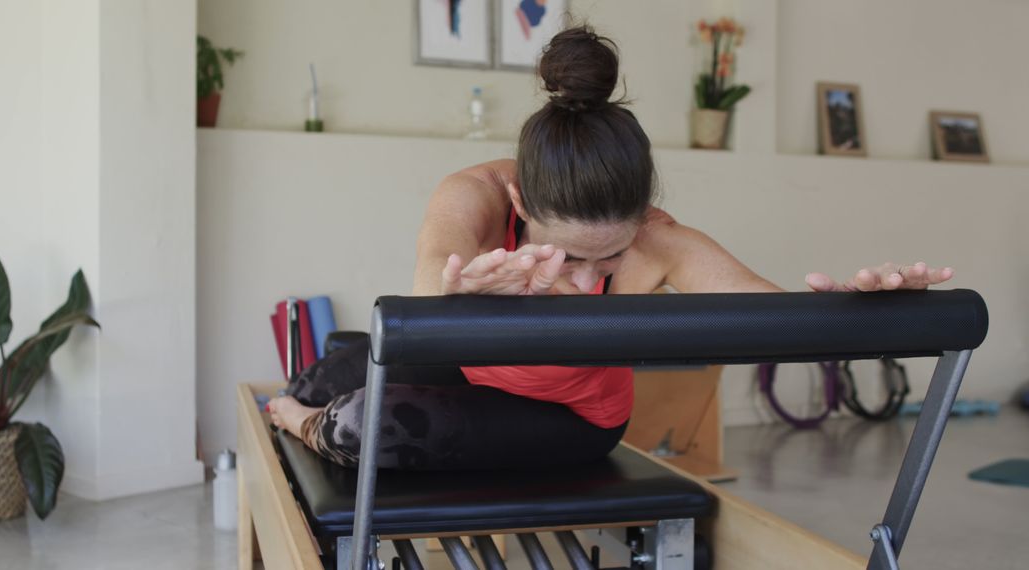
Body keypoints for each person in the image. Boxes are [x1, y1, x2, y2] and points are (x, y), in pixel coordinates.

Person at [268, 25, 952, 470]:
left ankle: (304, 425)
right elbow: (423, 293)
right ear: (520, 206)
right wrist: (461, 291)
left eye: (612, 259)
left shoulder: (661, 240)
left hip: (571, 418)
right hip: (473, 373)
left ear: (643, 217)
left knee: (361, 424)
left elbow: (786, 321)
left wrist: (871, 310)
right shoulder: (473, 196)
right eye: (568, 258)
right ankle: (306, 409)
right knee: (321, 377)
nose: (588, 279)